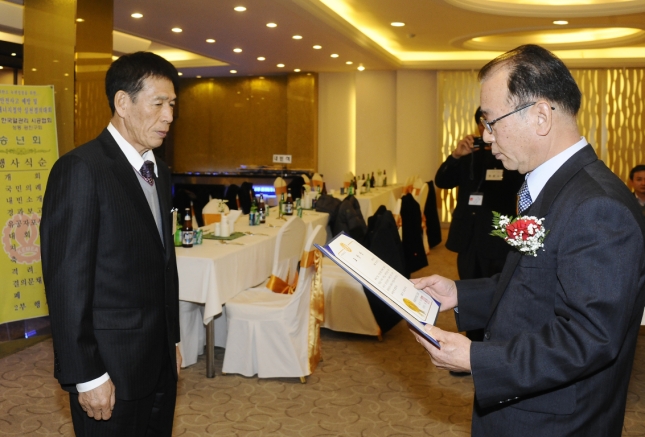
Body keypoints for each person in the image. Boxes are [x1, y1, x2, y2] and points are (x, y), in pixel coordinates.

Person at [411, 44, 645, 436]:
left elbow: (589, 338)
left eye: (492, 121)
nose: (486, 137)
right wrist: (458, 293)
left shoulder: (597, 206)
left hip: (555, 421)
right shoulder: (556, 186)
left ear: (539, 116)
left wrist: (476, 358)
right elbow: (535, 285)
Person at [41, 52, 181, 436]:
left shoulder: (159, 169)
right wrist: (86, 375)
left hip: (157, 362)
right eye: (158, 104)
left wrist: (173, 339)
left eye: (172, 105)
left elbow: (162, 262)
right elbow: (67, 283)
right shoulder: (81, 170)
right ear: (123, 102)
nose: (168, 116)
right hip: (110, 369)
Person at [435, 108, 523, 346]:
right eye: (482, 125)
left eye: (491, 124)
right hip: (468, 236)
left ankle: (496, 344)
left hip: (497, 236)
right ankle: (472, 345)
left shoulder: (509, 153)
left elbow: (520, 186)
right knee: (467, 292)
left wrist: (502, 150)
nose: (486, 130)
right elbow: (441, 181)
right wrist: (455, 155)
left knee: (497, 293)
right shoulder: (468, 152)